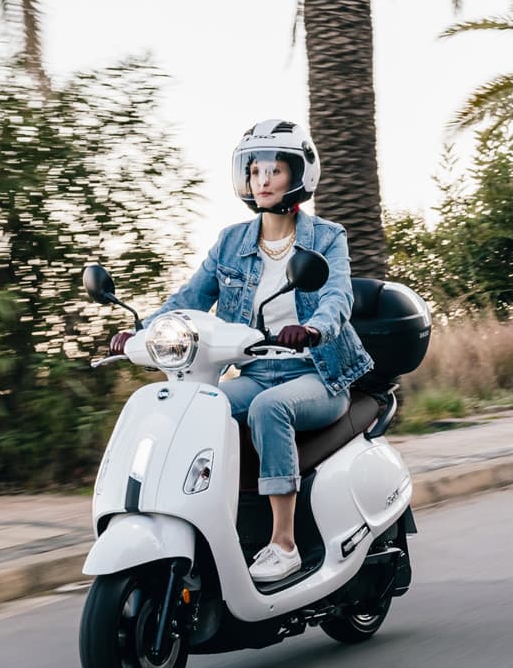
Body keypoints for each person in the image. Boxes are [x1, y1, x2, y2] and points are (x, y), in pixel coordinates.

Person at [110, 119, 375, 583]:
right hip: (255, 373)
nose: (263, 180)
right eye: (254, 171)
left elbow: (337, 297)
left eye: (275, 170)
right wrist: (141, 331)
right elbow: (190, 298)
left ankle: (284, 544)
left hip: (318, 374)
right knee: (194, 407)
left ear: (299, 175)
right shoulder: (231, 242)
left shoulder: (327, 237)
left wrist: (312, 329)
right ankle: (203, 525)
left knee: (270, 409)